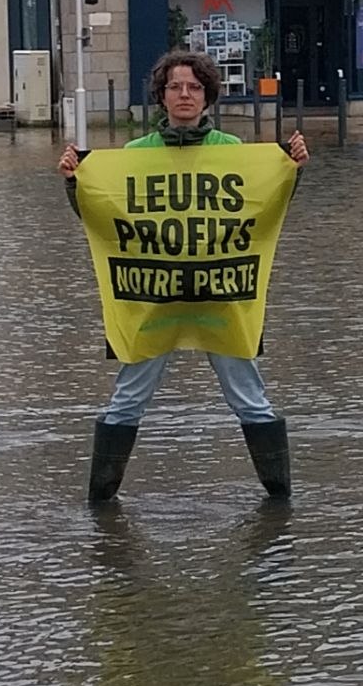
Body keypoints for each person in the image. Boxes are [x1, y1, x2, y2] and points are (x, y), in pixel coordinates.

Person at [60, 50, 309, 502]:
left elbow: (265, 210)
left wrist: (291, 169)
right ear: (161, 95)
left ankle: (280, 496)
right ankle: (100, 499)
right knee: (127, 399)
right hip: (155, 301)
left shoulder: (234, 153)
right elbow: (105, 218)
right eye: (175, 86)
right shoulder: (135, 155)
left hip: (220, 299)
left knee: (250, 398)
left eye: (194, 87)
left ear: (208, 95)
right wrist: (77, 183)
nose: (184, 95)